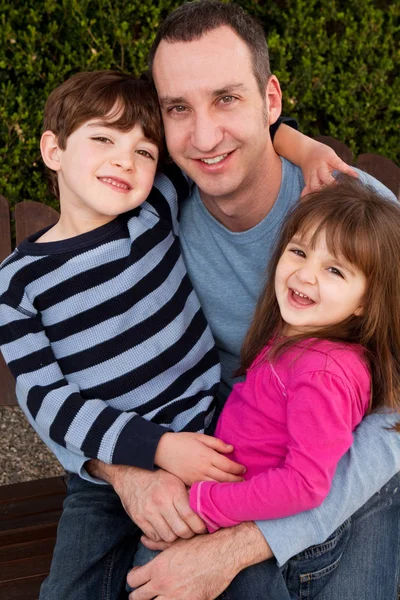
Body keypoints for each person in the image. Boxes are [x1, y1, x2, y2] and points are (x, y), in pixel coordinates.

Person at [0, 68, 323, 599]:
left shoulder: (153, 210)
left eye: (144, 152)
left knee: (223, 578)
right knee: (68, 590)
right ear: (53, 150)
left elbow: (221, 143)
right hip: (106, 472)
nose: (125, 160)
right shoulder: (19, 283)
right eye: (103, 139)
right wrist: (156, 450)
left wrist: (305, 150)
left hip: (210, 433)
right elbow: (46, 400)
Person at [125, 2, 399, 599]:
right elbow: (62, 355)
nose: (203, 136)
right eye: (179, 108)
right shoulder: (154, 226)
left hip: (364, 461)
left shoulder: (352, 212)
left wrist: (246, 541)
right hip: (240, 457)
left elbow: (394, 423)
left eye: (227, 99)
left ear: (271, 101)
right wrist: (127, 475)